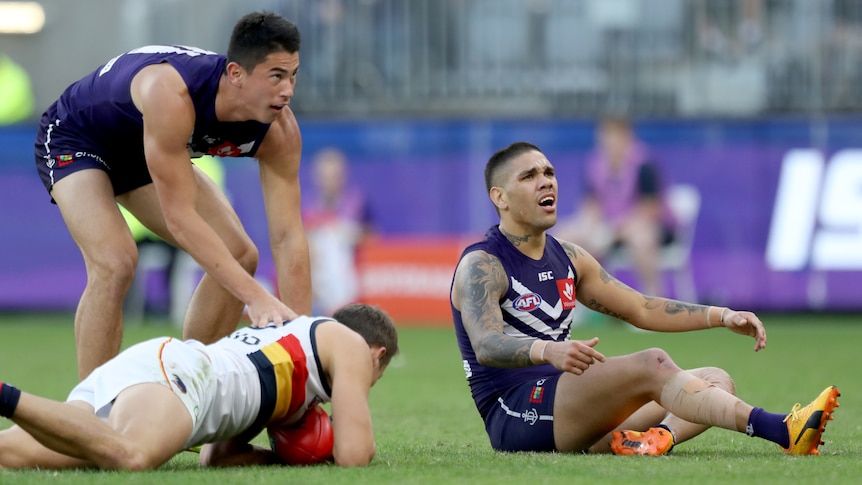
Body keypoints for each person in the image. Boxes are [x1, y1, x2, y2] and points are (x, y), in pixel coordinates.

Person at [449, 141, 840, 456]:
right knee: (653, 363)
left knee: (715, 380)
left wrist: (722, 315)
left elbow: (639, 307)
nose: (546, 181)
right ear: (499, 196)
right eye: (530, 175)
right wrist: (546, 351)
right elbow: (487, 344)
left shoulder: (569, 256)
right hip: (519, 413)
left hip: (573, 407)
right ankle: (783, 430)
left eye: (549, 172)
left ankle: (655, 441)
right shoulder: (483, 264)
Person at [32, 11, 312, 380]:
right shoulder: (171, 93)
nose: (288, 90)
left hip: (146, 151)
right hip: (78, 137)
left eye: (292, 76)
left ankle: (193, 391)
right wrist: (255, 297)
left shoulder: (280, 132)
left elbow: (289, 238)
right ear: (236, 74)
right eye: (276, 76)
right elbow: (181, 220)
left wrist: (304, 347)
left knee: (240, 255)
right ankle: (91, 413)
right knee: (115, 263)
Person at [0, 302, 398, 470]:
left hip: (165, 370)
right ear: (376, 356)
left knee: (24, 453)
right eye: (374, 377)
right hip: (183, 378)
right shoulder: (348, 344)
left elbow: (217, 456)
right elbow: (354, 455)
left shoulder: (294, 370)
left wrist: (281, 454)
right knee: (133, 455)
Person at [558, 116, 676, 297]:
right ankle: (570, 301)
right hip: (607, 228)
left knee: (641, 239)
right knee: (564, 235)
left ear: (627, 136)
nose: (608, 141)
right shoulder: (594, 164)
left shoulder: (644, 164)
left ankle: (653, 300)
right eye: (604, 135)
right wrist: (590, 226)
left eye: (614, 135)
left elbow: (650, 209)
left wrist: (615, 230)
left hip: (645, 227)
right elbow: (591, 204)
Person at [302, 147, 374, 315]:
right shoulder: (306, 204)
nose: (329, 181)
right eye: (325, 176)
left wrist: (351, 235)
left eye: (334, 175)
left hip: (348, 273)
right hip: (315, 272)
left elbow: (373, 236)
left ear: (343, 175)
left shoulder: (357, 202)